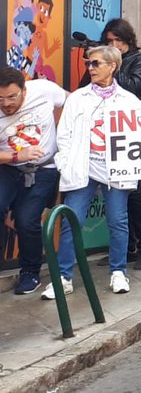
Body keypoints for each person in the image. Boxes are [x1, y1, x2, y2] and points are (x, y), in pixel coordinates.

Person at [42, 45, 139, 299]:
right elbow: (63, 135)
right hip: (82, 168)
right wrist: (65, 163)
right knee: (72, 220)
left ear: (112, 66)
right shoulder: (77, 98)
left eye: (96, 63)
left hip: (115, 170)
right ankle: (63, 277)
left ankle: (118, 272)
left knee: (118, 221)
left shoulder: (129, 101)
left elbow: (140, 138)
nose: (90, 68)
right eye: (88, 64)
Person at [91, 19, 141, 271]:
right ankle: (124, 247)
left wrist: (111, 66)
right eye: (110, 42)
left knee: (134, 193)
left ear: (129, 40)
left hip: (131, 134)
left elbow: (135, 87)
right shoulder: (99, 64)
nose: (114, 45)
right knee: (114, 192)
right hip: (105, 136)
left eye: (119, 41)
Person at [0, 65, 66, 295]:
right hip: (7, 166)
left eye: (12, 97)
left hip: (44, 167)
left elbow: (71, 102)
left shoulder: (44, 90)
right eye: (1, 99)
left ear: (24, 91)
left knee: (27, 220)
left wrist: (63, 132)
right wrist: (18, 155)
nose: (6, 104)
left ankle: (30, 272)